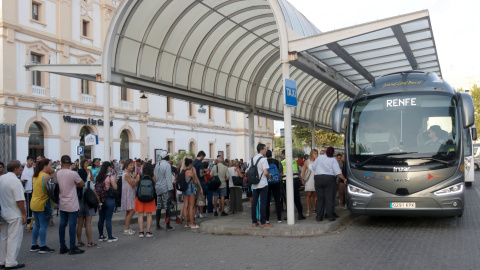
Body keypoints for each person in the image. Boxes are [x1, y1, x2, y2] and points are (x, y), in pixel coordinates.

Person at [0, 160, 27, 269]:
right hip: (14, 213)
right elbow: (19, 200)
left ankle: (2, 260)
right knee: (14, 239)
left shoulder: (2, 178)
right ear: (15, 169)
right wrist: (24, 214)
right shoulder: (15, 181)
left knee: (4, 238)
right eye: (20, 167)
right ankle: (11, 262)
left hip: (4, 212)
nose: (22, 168)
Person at [56, 155, 85, 255]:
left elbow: (56, 184)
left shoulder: (58, 173)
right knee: (72, 225)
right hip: (72, 202)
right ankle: (72, 247)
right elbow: (82, 184)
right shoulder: (73, 173)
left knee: (62, 224)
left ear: (61, 162)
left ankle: (62, 246)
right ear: (69, 163)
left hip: (62, 201)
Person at [312, 147, 347, 222]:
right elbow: (338, 172)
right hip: (329, 179)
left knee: (320, 199)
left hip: (318, 178)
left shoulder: (319, 157)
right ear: (333, 153)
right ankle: (330, 217)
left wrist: (319, 172)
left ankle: (319, 217)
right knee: (329, 199)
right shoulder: (333, 159)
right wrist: (344, 179)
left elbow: (313, 167)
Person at [30, 158, 55, 254]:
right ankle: (43, 245)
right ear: (45, 166)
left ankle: (33, 244)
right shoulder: (45, 176)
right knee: (43, 226)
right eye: (50, 165)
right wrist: (52, 174)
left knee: (37, 225)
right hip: (43, 204)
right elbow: (53, 186)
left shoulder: (35, 175)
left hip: (34, 203)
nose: (51, 167)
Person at [76, 159, 101, 247]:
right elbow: (95, 194)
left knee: (79, 223)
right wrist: (99, 203)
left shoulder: (77, 184)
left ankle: (79, 242)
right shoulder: (88, 183)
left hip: (79, 202)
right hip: (88, 203)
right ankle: (89, 242)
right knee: (88, 224)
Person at [250, 144, 272, 227]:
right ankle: (263, 222)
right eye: (265, 149)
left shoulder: (251, 159)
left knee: (254, 203)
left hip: (255, 184)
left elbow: (248, 170)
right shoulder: (263, 159)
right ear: (262, 150)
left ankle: (254, 221)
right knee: (263, 203)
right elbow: (265, 172)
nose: (266, 151)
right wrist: (270, 175)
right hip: (262, 183)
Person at [96, 161, 119, 243]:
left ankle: (101, 235)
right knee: (108, 218)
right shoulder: (110, 177)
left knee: (101, 218)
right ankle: (110, 236)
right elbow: (115, 187)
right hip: (109, 198)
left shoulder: (99, 176)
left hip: (100, 199)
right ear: (108, 167)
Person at [281, 150, 306, 220]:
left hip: (286, 182)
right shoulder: (295, 161)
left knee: (287, 199)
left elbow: (280, 173)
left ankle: (289, 215)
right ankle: (300, 214)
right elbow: (298, 171)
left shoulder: (282, 162)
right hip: (295, 181)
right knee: (297, 198)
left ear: (283, 155)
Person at [153, 151, 174, 231]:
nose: (169, 157)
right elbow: (168, 178)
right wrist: (170, 190)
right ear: (166, 157)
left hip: (158, 187)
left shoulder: (157, 165)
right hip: (165, 188)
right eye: (168, 156)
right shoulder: (167, 165)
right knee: (167, 207)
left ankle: (157, 225)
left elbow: (155, 176)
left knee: (158, 207)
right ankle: (167, 224)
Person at [135, 162, 157, 238]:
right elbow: (154, 185)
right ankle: (148, 232)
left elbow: (136, 184)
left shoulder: (139, 176)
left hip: (140, 197)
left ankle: (141, 232)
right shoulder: (153, 177)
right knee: (149, 214)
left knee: (140, 214)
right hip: (150, 197)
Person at [181, 157, 202, 229]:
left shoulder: (183, 171)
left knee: (185, 206)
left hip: (184, 189)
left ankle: (186, 223)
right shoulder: (190, 172)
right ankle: (192, 223)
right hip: (191, 188)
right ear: (190, 164)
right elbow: (196, 181)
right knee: (191, 207)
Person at [266, 150, 283, 223]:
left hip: (267, 183)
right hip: (276, 182)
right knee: (277, 200)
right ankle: (279, 218)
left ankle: (267, 219)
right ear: (271, 154)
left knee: (267, 201)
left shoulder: (264, 161)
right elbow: (280, 173)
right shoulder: (276, 161)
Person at [121, 159, 137, 235]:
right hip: (128, 194)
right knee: (132, 210)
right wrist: (135, 179)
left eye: (132, 165)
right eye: (130, 165)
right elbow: (133, 184)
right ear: (126, 166)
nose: (132, 167)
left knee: (128, 211)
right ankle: (126, 228)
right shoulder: (126, 174)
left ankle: (127, 228)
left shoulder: (127, 174)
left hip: (129, 193)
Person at [193, 151, 209, 215]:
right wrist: (206, 173)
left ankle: (196, 212)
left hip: (194, 182)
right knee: (201, 198)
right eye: (203, 157)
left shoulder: (193, 162)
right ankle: (201, 213)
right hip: (200, 182)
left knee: (195, 198)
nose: (203, 158)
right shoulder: (200, 163)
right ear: (201, 156)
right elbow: (201, 174)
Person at [302, 150, 318, 217]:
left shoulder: (317, 161)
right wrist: (303, 179)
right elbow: (304, 170)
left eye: (317, 154)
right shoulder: (307, 161)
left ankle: (314, 208)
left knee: (315, 194)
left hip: (316, 178)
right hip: (309, 179)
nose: (316, 155)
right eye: (315, 154)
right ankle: (308, 209)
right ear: (311, 154)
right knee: (309, 194)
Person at [20, 156, 35, 225]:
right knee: (24, 205)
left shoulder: (34, 169)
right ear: (27, 160)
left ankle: (30, 221)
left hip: (32, 190)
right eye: (30, 160)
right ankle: (24, 220)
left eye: (32, 160)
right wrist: (21, 181)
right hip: (23, 190)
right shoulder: (22, 168)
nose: (31, 161)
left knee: (31, 206)